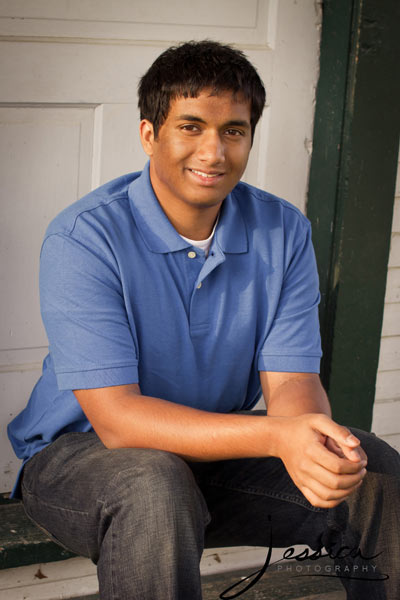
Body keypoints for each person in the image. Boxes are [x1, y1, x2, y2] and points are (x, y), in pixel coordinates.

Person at [8, 40, 399, 600]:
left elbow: (291, 382)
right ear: (150, 135)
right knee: (153, 483)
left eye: (233, 131)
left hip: (215, 453)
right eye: (191, 127)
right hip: (83, 458)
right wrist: (277, 435)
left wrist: (310, 442)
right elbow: (118, 420)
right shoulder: (85, 238)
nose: (214, 152)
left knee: (372, 468)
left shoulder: (282, 231)